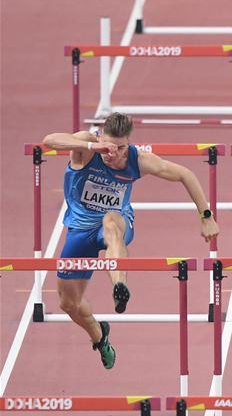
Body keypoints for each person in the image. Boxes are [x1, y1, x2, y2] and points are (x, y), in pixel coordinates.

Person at [43, 113, 220, 369]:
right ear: (102, 138)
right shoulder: (86, 146)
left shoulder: (138, 160)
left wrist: (206, 216)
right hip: (80, 231)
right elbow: (50, 140)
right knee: (68, 303)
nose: (114, 153)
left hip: (117, 224)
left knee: (111, 221)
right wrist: (94, 146)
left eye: (121, 148)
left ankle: (120, 288)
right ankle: (100, 336)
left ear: (129, 144)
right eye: (110, 146)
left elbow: (185, 174)